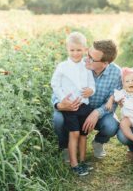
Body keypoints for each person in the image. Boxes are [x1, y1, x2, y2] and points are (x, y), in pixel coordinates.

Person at [52, 39, 122, 163]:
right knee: (58, 118)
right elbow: (58, 88)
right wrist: (59, 105)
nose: (86, 58)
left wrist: (96, 113)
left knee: (111, 125)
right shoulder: (78, 64)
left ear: (105, 63)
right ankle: (65, 147)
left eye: (92, 58)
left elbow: (113, 101)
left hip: (97, 113)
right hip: (73, 109)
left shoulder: (116, 73)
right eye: (88, 54)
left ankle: (99, 142)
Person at [51, 32, 95, 176]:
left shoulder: (86, 66)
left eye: (79, 50)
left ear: (85, 49)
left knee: (83, 134)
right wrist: (64, 99)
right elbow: (55, 84)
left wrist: (91, 90)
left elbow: (91, 83)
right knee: (74, 133)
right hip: (70, 106)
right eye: (72, 50)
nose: (75, 53)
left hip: (84, 105)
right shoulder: (63, 66)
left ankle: (82, 161)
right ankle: (74, 164)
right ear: (67, 49)